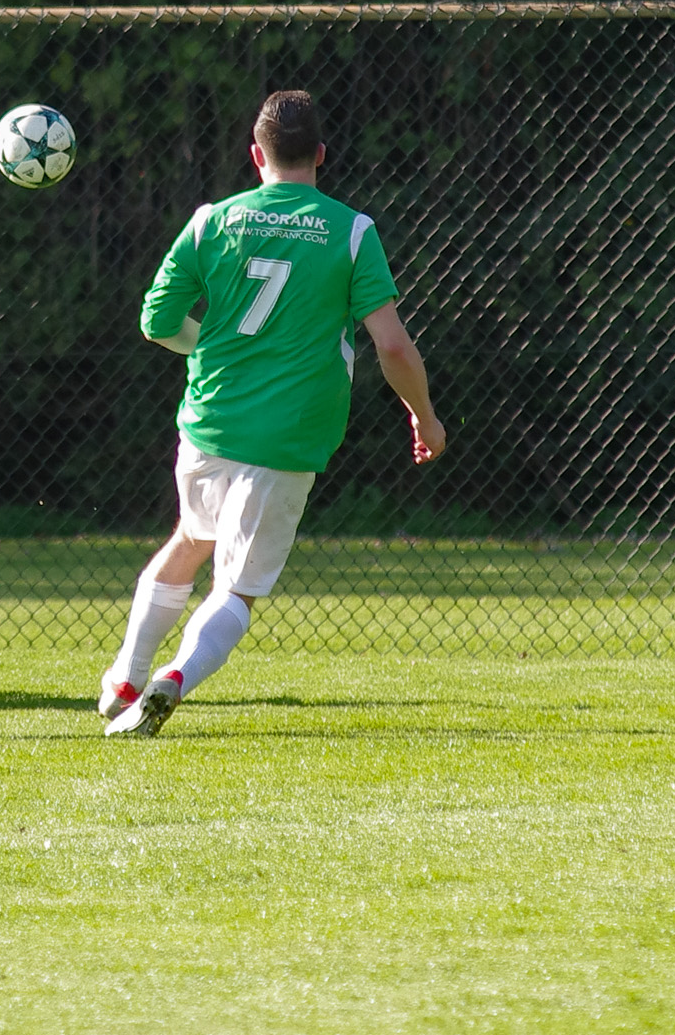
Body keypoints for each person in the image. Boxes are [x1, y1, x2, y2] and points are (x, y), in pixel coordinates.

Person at [100, 89, 447, 737]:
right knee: (235, 589)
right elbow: (393, 346)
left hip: (209, 421)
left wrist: (212, 350)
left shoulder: (211, 221)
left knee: (190, 539)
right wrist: (424, 416)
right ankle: (174, 678)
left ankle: (127, 671)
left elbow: (157, 321)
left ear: (256, 155)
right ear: (321, 154)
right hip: (288, 435)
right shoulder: (351, 231)